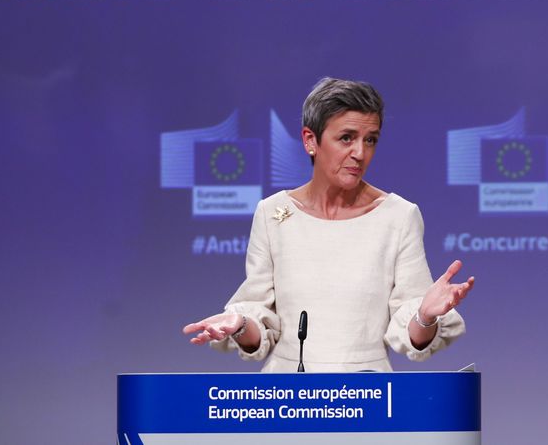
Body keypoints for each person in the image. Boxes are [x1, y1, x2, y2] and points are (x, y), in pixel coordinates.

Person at [182, 78, 475, 372]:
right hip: (287, 399)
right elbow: (260, 323)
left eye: (370, 139)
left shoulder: (399, 216)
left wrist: (425, 316)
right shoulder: (272, 213)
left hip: (365, 397)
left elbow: (412, 330)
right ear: (311, 140)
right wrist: (241, 323)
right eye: (347, 138)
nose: (360, 153)